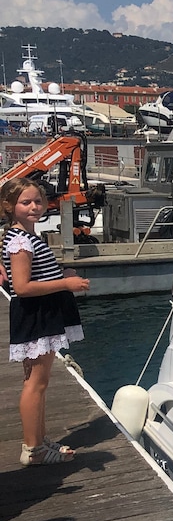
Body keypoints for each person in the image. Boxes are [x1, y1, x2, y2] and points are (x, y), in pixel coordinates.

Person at [1, 179, 89, 467]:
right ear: (9, 206)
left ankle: (38, 438)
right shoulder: (20, 241)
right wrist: (66, 283)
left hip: (41, 313)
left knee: (39, 381)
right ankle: (34, 449)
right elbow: (22, 287)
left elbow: (36, 275)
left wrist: (62, 273)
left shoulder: (27, 236)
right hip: (36, 315)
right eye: (26, 202)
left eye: (37, 201)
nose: (34, 207)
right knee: (36, 384)